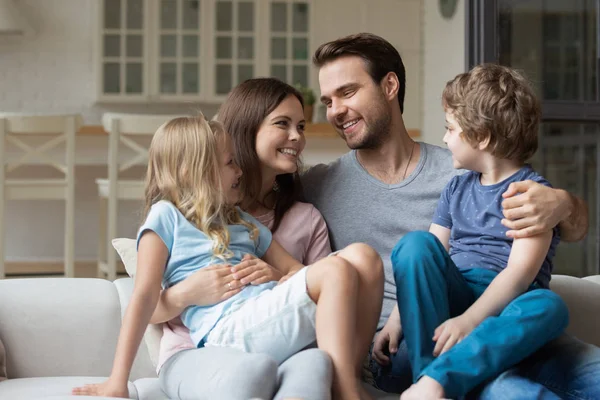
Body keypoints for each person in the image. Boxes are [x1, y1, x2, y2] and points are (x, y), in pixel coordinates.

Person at [301, 32, 600, 399]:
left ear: (390, 86)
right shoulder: (318, 185)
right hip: (426, 339)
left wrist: (564, 203)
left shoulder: (464, 169)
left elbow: (572, 228)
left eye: (347, 93)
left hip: (508, 325)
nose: (334, 111)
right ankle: (436, 382)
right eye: (328, 101)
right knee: (513, 393)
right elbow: (245, 198)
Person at [72, 115, 384, 400]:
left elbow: (295, 271)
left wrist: (272, 275)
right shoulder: (166, 217)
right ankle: (348, 391)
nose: (239, 171)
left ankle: (344, 377)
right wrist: (117, 380)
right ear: (193, 171)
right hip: (227, 330)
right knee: (334, 271)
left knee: (362, 258)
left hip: (265, 320)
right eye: (230, 163)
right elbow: (142, 299)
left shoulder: (241, 221)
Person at [151, 78, 342, 400]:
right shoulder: (189, 213)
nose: (296, 137)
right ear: (244, 130)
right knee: (253, 373)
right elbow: (146, 302)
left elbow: (322, 301)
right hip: (197, 350)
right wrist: (188, 292)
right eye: (282, 124)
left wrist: (278, 276)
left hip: (286, 346)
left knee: (314, 365)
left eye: (301, 126)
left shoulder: (306, 220)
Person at [389, 64, 569, 400]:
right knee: (415, 244)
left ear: (481, 137)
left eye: (450, 129)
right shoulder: (456, 189)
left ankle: (436, 381)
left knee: (548, 304)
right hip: (453, 302)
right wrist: (396, 320)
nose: (443, 138)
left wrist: (469, 322)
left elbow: (516, 277)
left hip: (505, 312)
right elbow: (427, 258)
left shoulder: (532, 196)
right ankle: (429, 380)